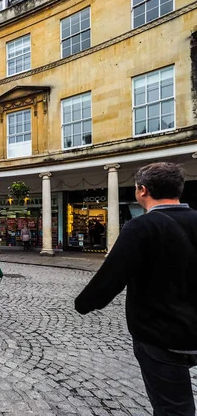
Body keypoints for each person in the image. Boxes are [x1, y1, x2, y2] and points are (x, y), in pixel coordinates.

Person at [75, 162, 197, 416]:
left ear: (142, 190)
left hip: (160, 334)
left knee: (173, 408)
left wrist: (84, 304)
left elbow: (111, 278)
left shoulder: (142, 226)